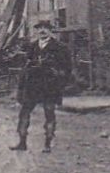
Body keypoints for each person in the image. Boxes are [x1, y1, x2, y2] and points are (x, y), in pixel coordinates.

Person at [11, 20, 73, 153]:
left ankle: (47, 144)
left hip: (49, 86)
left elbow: (67, 68)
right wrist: (21, 88)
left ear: (50, 30)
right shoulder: (32, 47)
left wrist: (59, 81)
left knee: (49, 113)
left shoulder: (59, 47)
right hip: (32, 86)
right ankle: (22, 142)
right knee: (24, 113)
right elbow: (25, 68)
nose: (42, 31)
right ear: (36, 31)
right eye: (39, 28)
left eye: (45, 28)